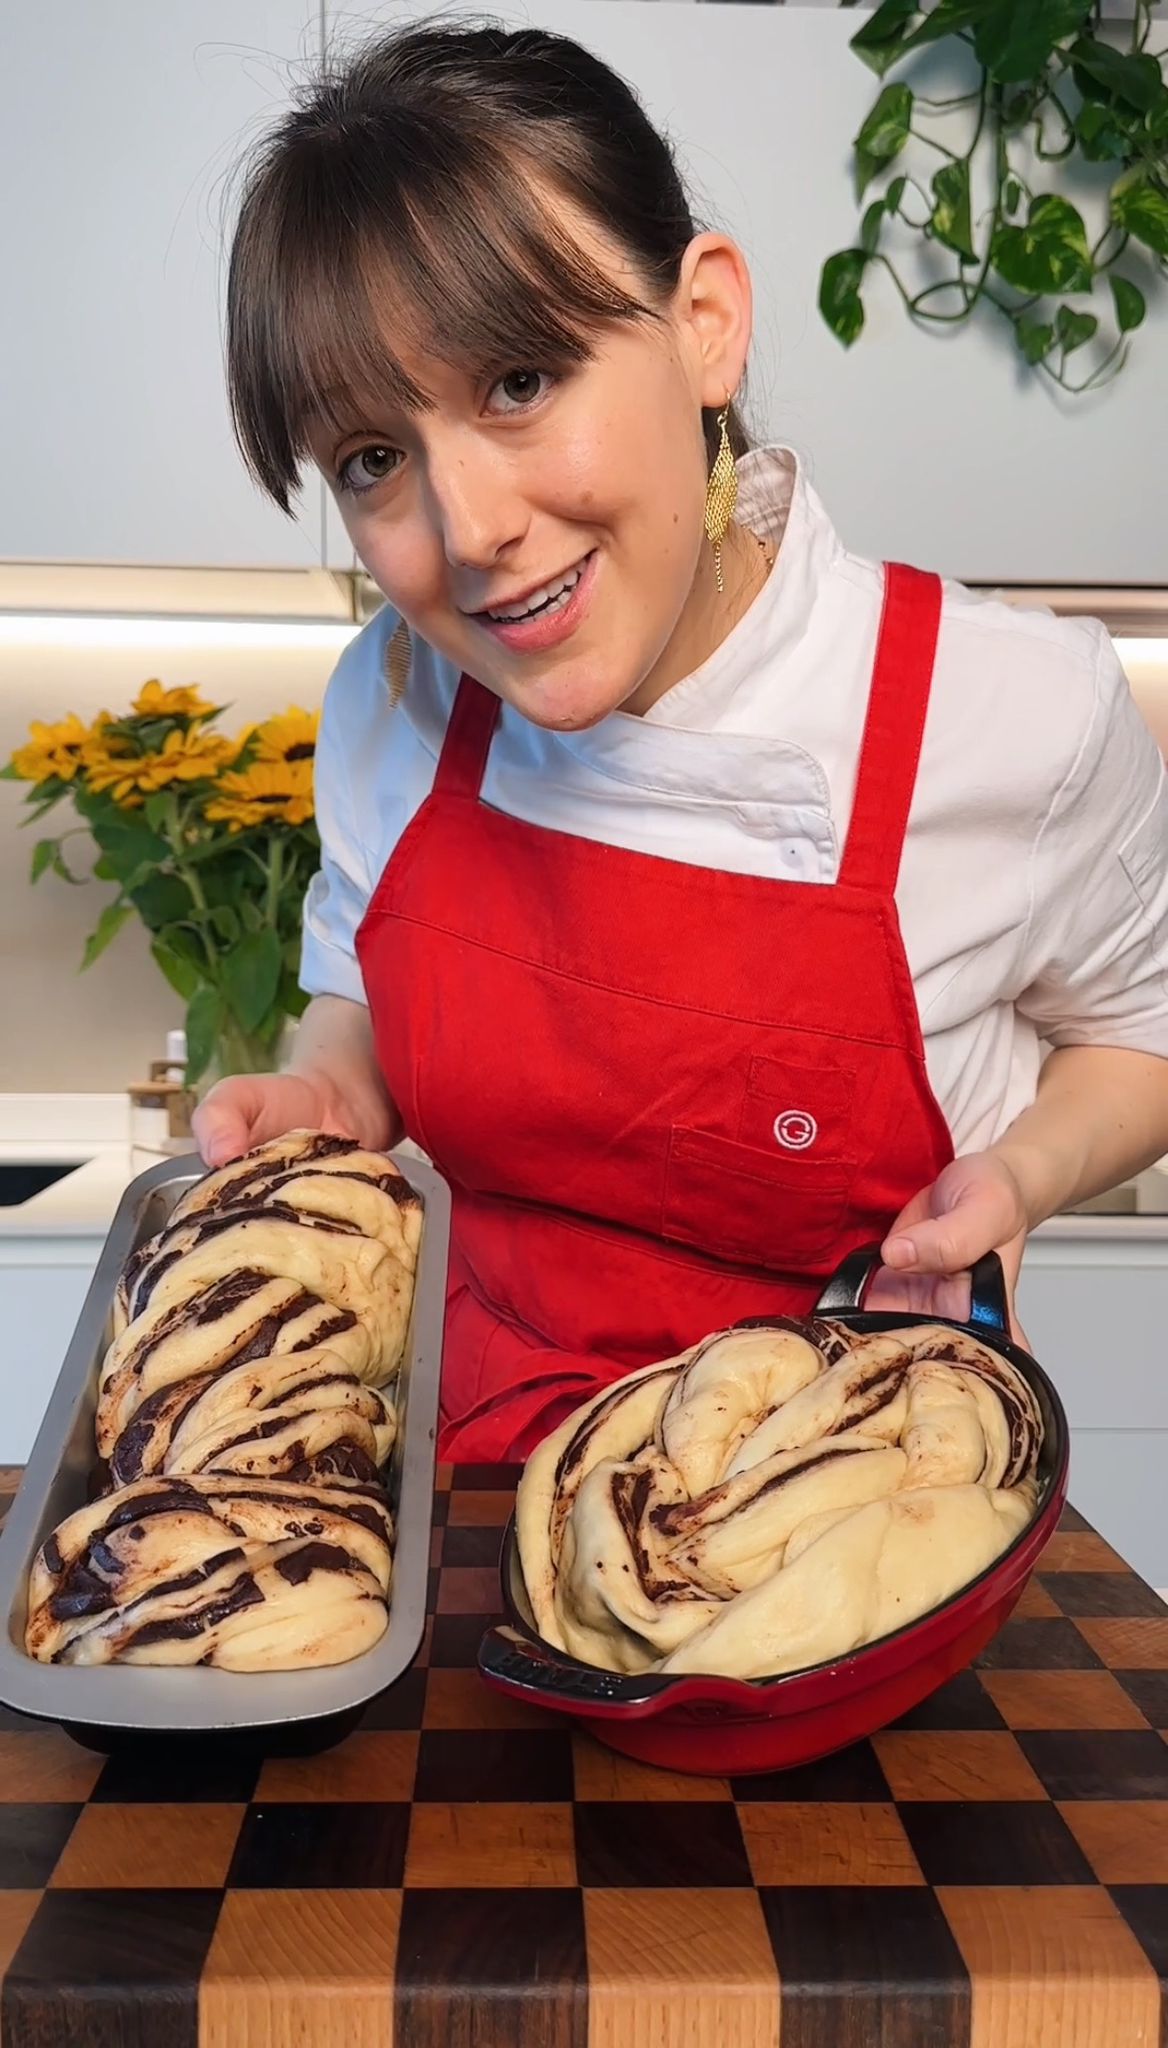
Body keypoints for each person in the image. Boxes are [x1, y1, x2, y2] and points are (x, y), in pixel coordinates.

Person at [194, 16, 1168, 1463]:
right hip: (458, 1500)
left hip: (841, 1532)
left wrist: (1023, 1171)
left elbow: (1141, 1039)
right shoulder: (390, 698)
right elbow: (356, 983)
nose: (470, 534)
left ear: (704, 321)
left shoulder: (1017, 711)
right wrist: (337, 1085)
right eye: (374, 459)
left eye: (518, 383)